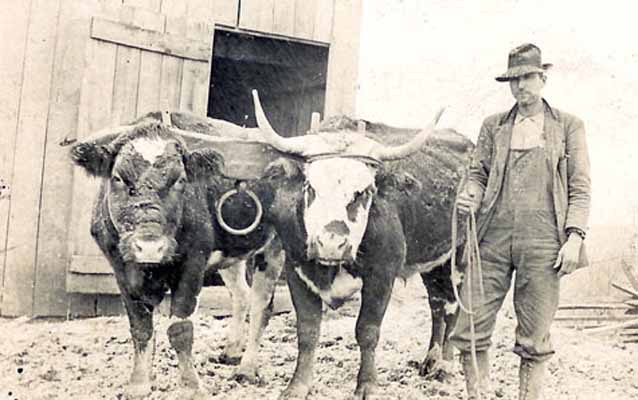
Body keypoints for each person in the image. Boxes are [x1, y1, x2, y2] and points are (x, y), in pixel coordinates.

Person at [450, 43, 591, 400]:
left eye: (527, 77)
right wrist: (470, 192)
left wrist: (574, 236)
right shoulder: (493, 126)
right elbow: (477, 174)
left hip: (544, 240)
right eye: (513, 80)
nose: (520, 87)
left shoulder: (569, 126)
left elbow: (580, 186)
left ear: (542, 78)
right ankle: (477, 395)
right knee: (471, 323)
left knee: (534, 332)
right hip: (492, 238)